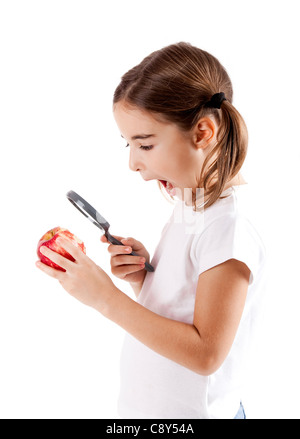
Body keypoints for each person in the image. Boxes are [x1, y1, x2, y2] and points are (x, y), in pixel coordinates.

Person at [36, 42, 266, 419]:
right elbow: (186, 306)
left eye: (144, 144)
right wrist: (146, 280)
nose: (132, 162)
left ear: (203, 133)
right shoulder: (191, 206)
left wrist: (105, 298)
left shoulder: (228, 227)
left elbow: (206, 354)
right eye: (129, 144)